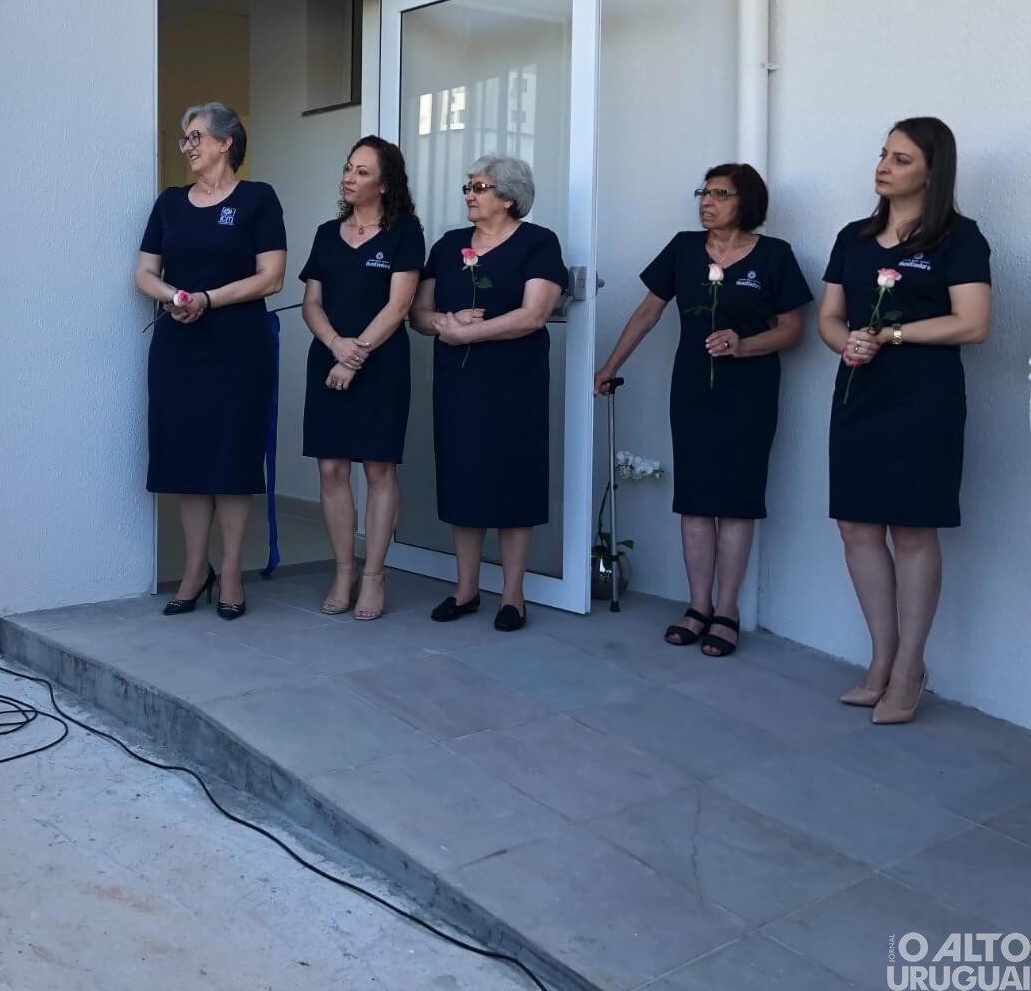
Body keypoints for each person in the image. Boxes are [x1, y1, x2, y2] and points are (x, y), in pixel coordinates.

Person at [594, 164, 812, 657]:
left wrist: (743, 343)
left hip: (750, 391)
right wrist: (610, 365)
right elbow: (648, 312)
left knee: (736, 500)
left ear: (747, 202)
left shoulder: (775, 256)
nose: (706, 201)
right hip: (692, 387)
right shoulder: (684, 248)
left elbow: (792, 329)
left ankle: (728, 610)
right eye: (703, 191)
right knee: (693, 499)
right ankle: (697, 606)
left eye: (720, 193)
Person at [819, 117, 991, 724]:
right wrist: (847, 343)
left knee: (914, 531)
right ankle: (881, 658)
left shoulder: (959, 238)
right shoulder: (854, 237)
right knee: (856, 527)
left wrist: (890, 334)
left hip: (925, 400)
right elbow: (830, 317)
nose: (884, 166)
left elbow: (973, 322)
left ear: (931, 171)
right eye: (883, 154)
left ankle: (911, 668)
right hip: (858, 393)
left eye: (901, 158)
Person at [135, 102, 286, 620]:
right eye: (185, 138)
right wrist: (175, 295)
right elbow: (143, 273)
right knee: (188, 458)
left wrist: (208, 299)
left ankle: (233, 572)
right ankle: (196, 571)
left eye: (196, 135)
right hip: (179, 347)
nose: (188, 146)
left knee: (231, 458)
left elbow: (272, 276)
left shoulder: (257, 200)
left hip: (238, 346)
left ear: (226, 143)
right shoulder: (170, 203)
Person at [410, 155, 567, 631]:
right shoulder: (449, 244)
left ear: (509, 197)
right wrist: (444, 322)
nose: (469, 194)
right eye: (468, 186)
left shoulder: (538, 243)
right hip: (459, 384)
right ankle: (466, 590)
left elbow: (534, 314)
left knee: (513, 480)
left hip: (515, 383)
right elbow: (419, 312)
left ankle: (513, 596)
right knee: (464, 479)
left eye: (479, 187)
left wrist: (468, 334)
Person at [298, 136, 424, 620]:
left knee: (377, 469)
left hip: (380, 364)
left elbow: (399, 305)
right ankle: (344, 570)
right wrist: (335, 347)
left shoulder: (405, 233)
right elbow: (312, 303)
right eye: (348, 168)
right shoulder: (327, 233)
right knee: (331, 468)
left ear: (386, 184)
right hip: (328, 357)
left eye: (362, 171)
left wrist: (354, 358)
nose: (349, 177)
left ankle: (374, 575)